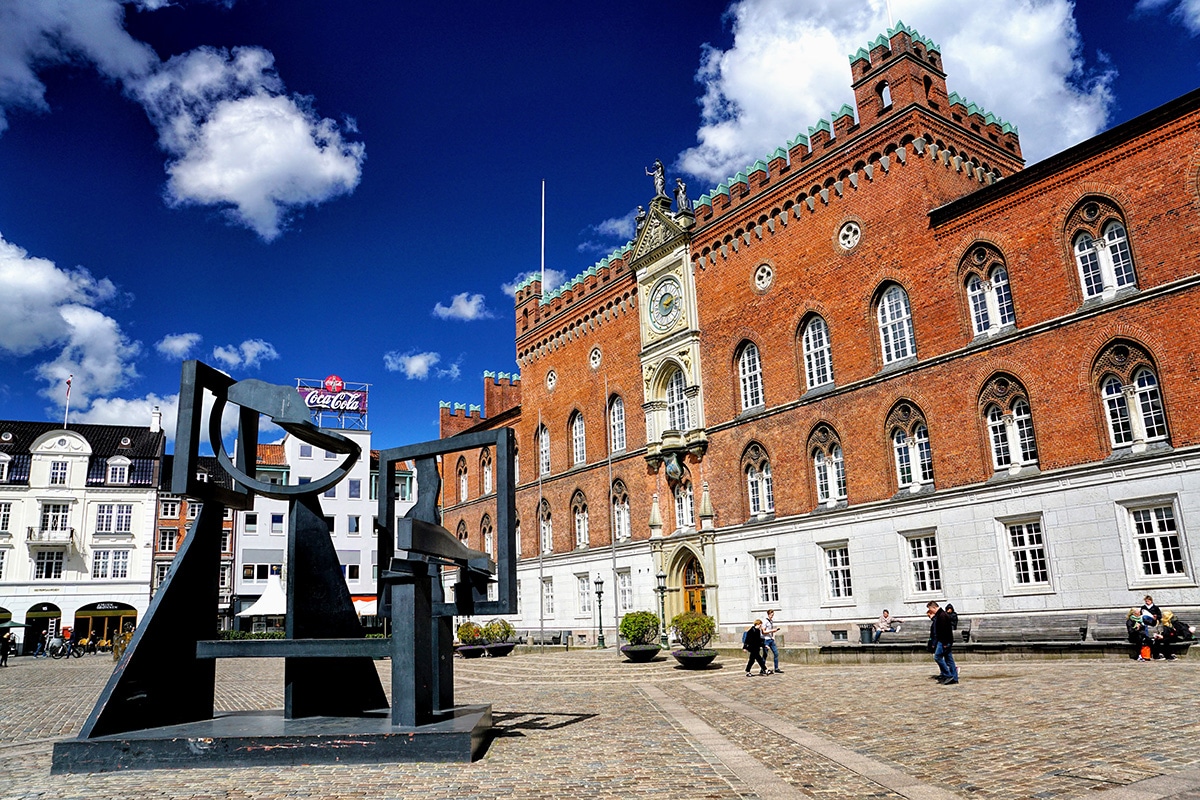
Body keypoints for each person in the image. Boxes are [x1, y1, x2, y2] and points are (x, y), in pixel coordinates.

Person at [927, 601, 958, 685]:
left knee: (938, 657)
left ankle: (948, 675)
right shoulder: (941, 615)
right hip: (945, 640)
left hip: (944, 641)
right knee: (949, 659)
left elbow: (945, 631)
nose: (930, 611)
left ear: (933, 607)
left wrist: (944, 643)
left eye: (930, 609)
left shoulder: (942, 616)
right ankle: (954, 677)